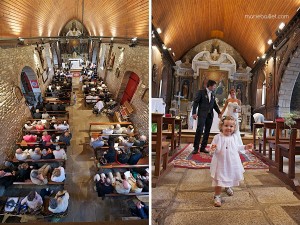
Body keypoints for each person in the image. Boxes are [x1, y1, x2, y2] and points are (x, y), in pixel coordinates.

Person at [209, 116, 253, 207]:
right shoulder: (218, 137)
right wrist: (213, 148)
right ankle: (217, 196)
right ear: (221, 126)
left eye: (231, 126)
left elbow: (237, 147)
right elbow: (213, 149)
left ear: (234, 128)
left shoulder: (234, 137)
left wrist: (245, 147)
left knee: (229, 174)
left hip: (232, 161)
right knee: (219, 178)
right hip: (220, 162)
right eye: (226, 125)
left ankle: (228, 186)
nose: (228, 128)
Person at [192, 80, 221, 154]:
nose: (215, 88)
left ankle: (203, 147)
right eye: (214, 86)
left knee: (207, 132)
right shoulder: (201, 92)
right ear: (210, 86)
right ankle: (195, 148)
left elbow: (214, 105)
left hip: (210, 115)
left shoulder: (213, 94)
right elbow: (196, 103)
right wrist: (194, 113)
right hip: (202, 114)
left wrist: (219, 112)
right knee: (199, 130)